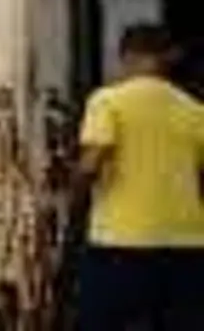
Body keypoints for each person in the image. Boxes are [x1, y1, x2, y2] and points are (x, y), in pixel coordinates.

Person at [76, 20, 204, 331]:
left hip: (121, 243)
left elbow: (92, 163)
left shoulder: (107, 100)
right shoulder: (195, 110)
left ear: (130, 57)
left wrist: (73, 193)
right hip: (187, 244)